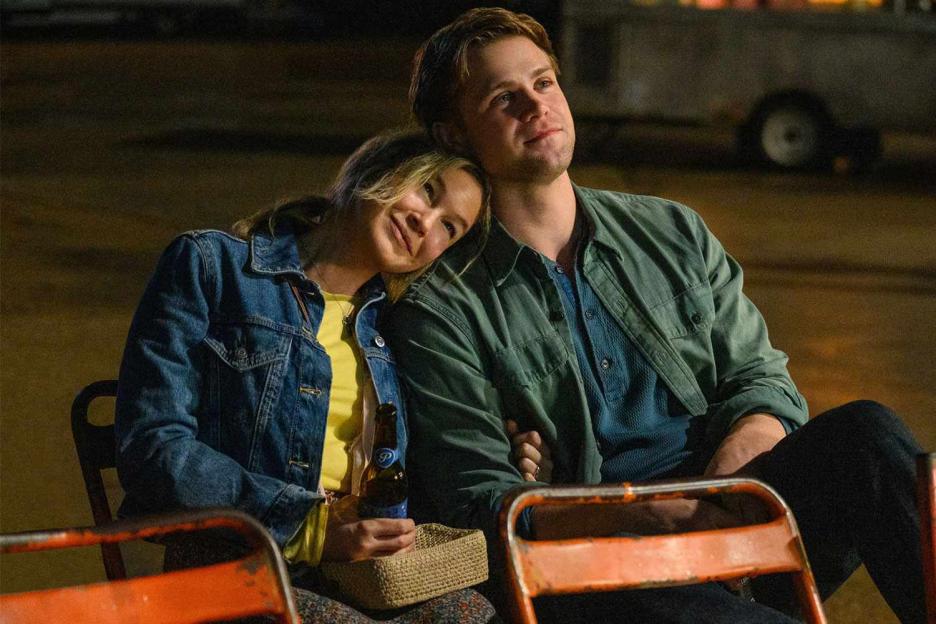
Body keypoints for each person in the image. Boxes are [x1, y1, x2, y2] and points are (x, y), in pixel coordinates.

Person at [383, 8, 926, 623]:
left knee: (867, 434)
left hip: (732, 505)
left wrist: (728, 483)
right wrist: (659, 515)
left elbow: (760, 380)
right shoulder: (443, 307)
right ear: (454, 135)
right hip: (599, 561)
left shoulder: (672, 231)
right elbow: (482, 502)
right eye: (503, 98)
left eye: (543, 82)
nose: (537, 107)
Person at [115, 130, 542, 622]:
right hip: (233, 562)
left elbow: (414, 470)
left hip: (356, 577)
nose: (424, 223)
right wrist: (309, 526)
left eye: (449, 227)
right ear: (376, 168)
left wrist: (494, 451)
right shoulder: (213, 267)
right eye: (427, 191)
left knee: (474, 613)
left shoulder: (395, 331)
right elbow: (152, 445)